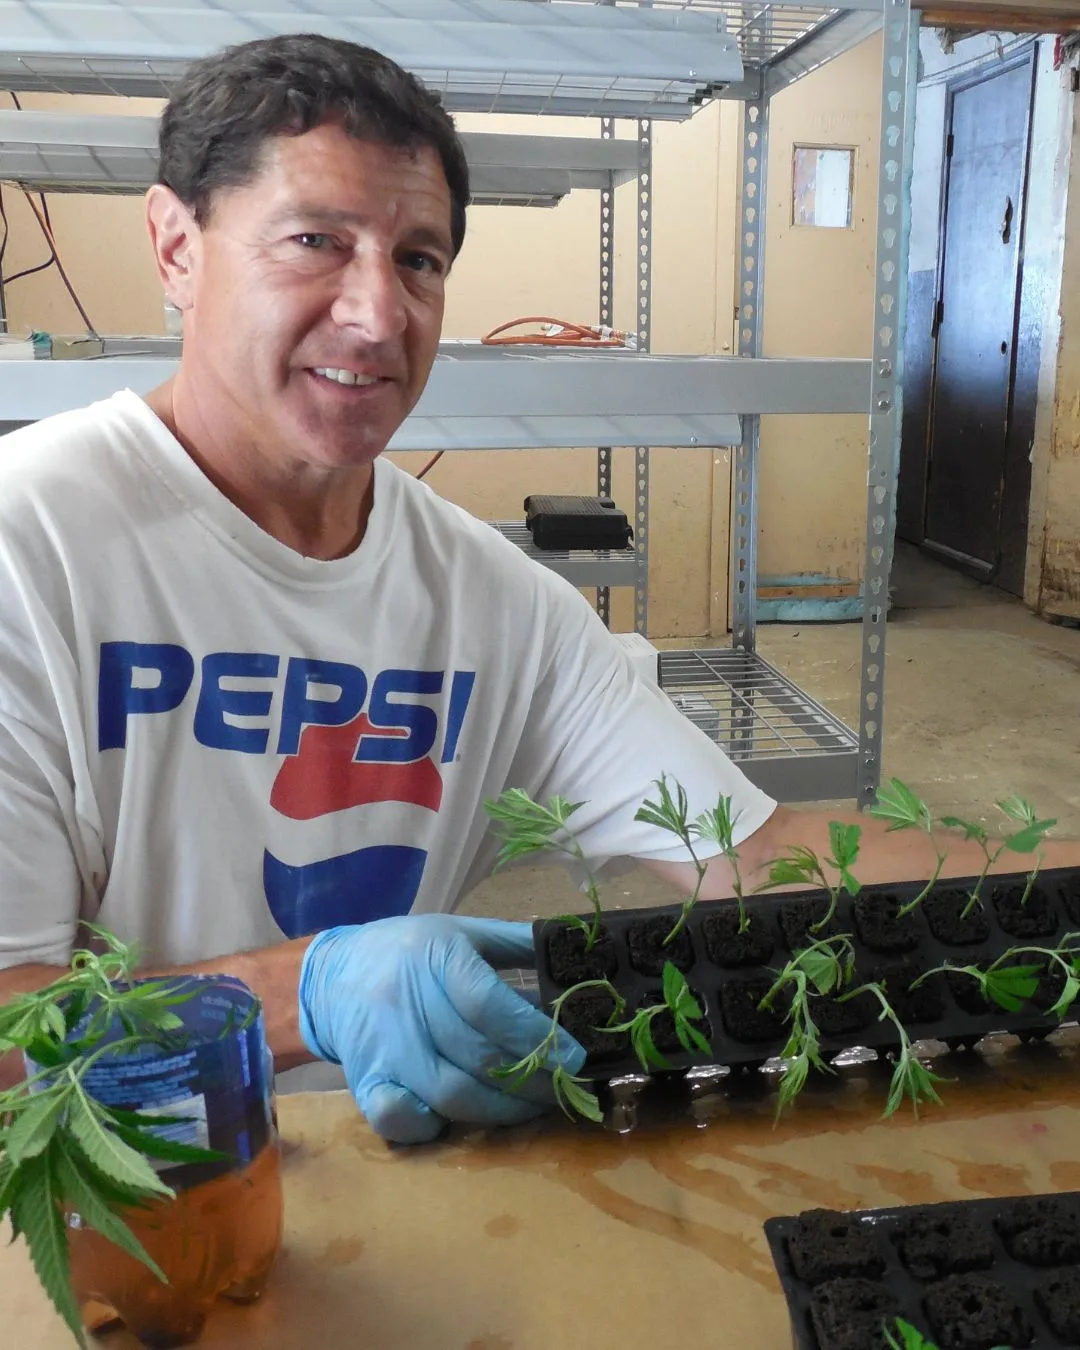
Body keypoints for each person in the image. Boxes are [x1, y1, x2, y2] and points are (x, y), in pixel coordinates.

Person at [0, 35, 1073, 1144]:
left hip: (385, 1165)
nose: (378, 314)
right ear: (177, 246)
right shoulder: (33, 550)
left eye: (419, 259)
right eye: (316, 241)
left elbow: (753, 857)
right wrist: (296, 995)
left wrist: (1056, 884)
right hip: (93, 1203)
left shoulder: (491, 603)